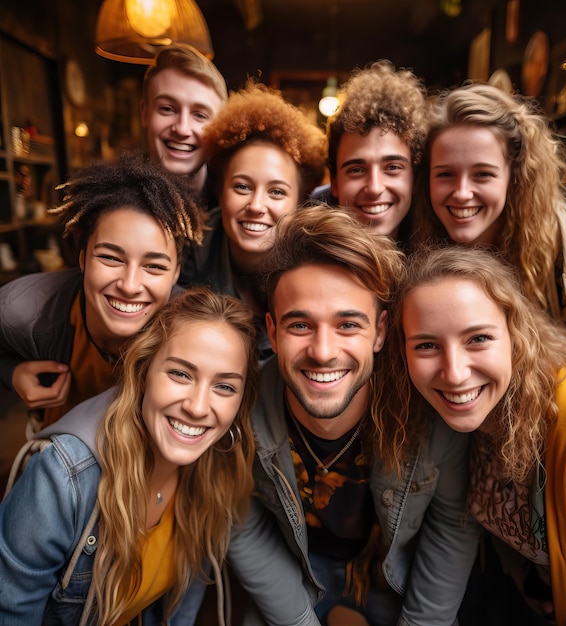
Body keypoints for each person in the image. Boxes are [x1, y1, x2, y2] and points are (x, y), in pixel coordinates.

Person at [225, 206, 481, 625]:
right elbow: (239, 522)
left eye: (347, 325)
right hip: (294, 567)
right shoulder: (237, 407)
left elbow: (452, 524)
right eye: (300, 326)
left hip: (395, 574)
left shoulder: (430, 405)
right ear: (271, 332)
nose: (323, 351)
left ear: (380, 332)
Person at [386, 244, 566, 626]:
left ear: (515, 333)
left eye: (477, 338)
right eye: (427, 345)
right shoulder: (464, 416)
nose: (455, 373)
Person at [0, 287, 258, 624]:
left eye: (224, 386)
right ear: (143, 372)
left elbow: (179, 608)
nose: (197, 407)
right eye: (180, 374)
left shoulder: (215, 471)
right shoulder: (61, 478)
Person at [411, 82, 566, 368]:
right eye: (445, 174)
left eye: (483, 174)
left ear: (516, 176)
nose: (461, 193)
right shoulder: (417, 238)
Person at [0, 151, 206, 431]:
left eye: (154, 266)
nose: (130, 285)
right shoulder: (23, 309)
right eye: (111, 258)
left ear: (176, 273)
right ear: (82, 258)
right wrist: (11, 373)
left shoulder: (194, 332)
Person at [178, 81, 327, 361]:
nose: (257, 206)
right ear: (221, 192)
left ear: (298, 203)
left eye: (276, 192)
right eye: (242, 187)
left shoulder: (316, 264)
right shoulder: (184, 252)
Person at [315, 59, 427, 246]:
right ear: (335, 183)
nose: (375, 188)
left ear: (414, 178)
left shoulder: (437, 261)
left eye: (392, 167)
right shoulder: (306, 264)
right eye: (356, 170)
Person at [141, 42, 229, 204]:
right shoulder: (112, 203)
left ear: (220, 126)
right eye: (167, 109)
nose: (182, 129)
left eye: (200, 115)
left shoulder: (232, 204)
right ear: (144, 113)